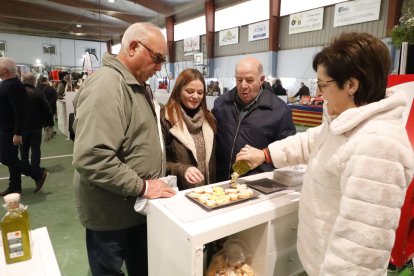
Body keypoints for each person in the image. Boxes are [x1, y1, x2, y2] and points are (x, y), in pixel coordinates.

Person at [235, 32, 414, 275]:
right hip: (318, 258)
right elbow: (310, 141)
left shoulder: (378, 146)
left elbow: (361, 245)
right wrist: (265, 154)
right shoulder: (345, 121)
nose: (319, 93)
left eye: (323, 84)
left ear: (351, 85)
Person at [72, 22, 176, 275]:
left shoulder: (133, 85)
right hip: (113, 216)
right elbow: (92, 157)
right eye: (157, 58)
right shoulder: (107, 86)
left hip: (133, 210)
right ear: (133, 47)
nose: (160, 67)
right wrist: (143, 186)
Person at [212, 57, 296, 181]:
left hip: (256, 185)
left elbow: (286, 151)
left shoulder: (280, 111)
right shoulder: (221, 104)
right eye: (239, 80)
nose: (243, 85)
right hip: (219, 182)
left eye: (249, 80)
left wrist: (259, 172)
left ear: (261, 80)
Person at [160, 68, 216, 191]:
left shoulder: (209, 118)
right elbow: (157, 163)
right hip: (179, 192)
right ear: (178, 91)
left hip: (207, 191)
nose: (195, 96)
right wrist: (181, 169)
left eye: (200, 92)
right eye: (190, 91)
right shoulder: (165, 118)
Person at [0, 57, 48, 196]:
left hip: (10, 130)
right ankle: (14, 186)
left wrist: (18, 133)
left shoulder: (14, 85)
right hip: (6, 128)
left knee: (6, 158)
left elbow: (20, 111)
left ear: (5, 69)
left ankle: (38, 174)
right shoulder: (7, 83)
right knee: (12, 159)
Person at [20, 73, 54, 192]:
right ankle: (36, 171)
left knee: (23, 151)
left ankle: (31, 171)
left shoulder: (17, 93)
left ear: (23, 80)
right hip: (35, 128)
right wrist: (49, 124)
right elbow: (47, 109)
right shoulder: (38, 93)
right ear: (34, 81)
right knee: (35, 150)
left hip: (21, 128)